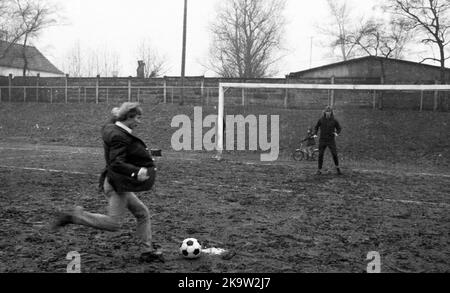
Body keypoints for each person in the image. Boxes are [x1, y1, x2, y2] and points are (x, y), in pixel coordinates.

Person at [51, 102, 163, 262]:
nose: (139, 122)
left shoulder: (112, 128)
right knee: (113, 223)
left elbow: (112, 125)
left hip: (118, 183)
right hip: (117, 185)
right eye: (137, 118)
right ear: (129, 117)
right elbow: (116, 162)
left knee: (142, 213)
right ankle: (75, 216)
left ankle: (146, 251)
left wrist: (116, 115)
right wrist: (136, 171)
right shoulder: (119, 136)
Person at [314, 106, 342, 175]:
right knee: (320, 154)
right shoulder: (321, 120)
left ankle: (337, 168)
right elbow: (316, 127)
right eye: (327, 112)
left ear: (331, 112)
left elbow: (339, 128)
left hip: (331, 140)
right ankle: (319, 170)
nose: (328, 113)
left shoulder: (334, 120)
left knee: (334, 154)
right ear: (324, 112)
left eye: (329, 112)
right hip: (322, 140)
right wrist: (315, 133)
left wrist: (336, 133)